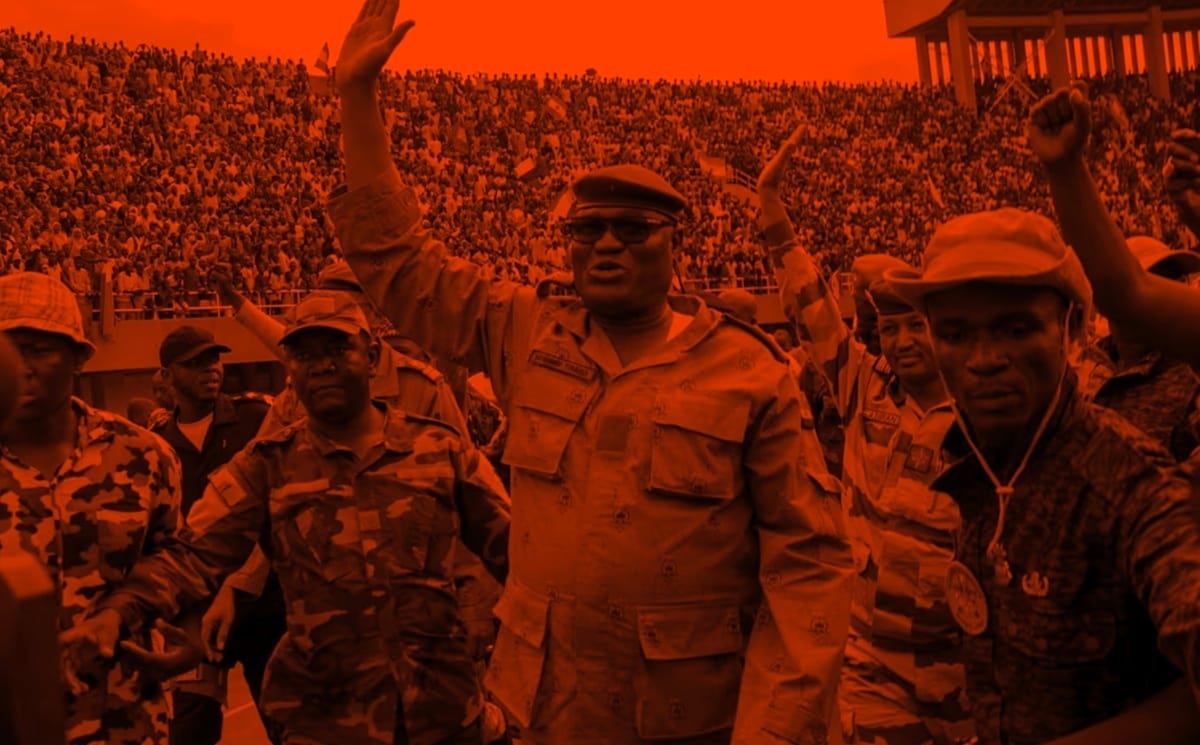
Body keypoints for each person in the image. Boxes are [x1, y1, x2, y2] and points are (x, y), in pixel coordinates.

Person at [326, 3, 853, 743]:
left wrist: (776, 730)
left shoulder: (749, 371)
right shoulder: (526, 330)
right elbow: (401, 264)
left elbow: (808, 568)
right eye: (586, 229)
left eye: (632, 230)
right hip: (548, 711)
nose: (606, 244)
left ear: (677, 244)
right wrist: (357, 99)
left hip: (692, 722)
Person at [61, 291, 513, 744]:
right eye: (303, 355)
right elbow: (192, 555)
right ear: (289, 368)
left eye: (338, 349)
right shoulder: (266, 465)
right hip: (326, 720)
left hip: (442, 714)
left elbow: (517, 551)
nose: (321, 366)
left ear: (373, 356)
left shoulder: (440, 450)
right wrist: (118, 613)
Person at [885, 208, 1200, 744]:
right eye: (956, 334)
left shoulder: (1126, 484)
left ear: (1071, 328)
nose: (985, 359)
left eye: (1016, 329)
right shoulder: (973, 460)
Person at [757, 128, 972, 745]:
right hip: (870, 658)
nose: (902, 342)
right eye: (891, 328)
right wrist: (771, 207)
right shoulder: (864, 387)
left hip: (959, 660)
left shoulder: (985, 412)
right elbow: (808, 304)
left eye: (916, 328)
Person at [211, 260, 505, 671]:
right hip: (330, 630)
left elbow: (471, 509)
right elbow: (256, 500)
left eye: (336, 339)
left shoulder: (421, 388)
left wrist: (474, 604)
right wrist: (236, 585)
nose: (323, 364)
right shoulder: (296, 399)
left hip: (423, 627)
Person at [0, 272, 183, 745]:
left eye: (37, 350)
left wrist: (122, 614)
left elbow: (174, 556)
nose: (20, 368)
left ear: (79, 358)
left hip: (123, 718)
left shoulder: (143, 456)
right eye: (7, 351)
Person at [148, 325, 281, 745]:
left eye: (214, 359)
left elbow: (278, 507)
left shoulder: (257, 418)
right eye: (195, 363)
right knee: (189, 729)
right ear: (167, 375)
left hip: (264, 604)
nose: (211, 369)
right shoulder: (156, 445)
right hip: (197, 611)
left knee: (288, 726)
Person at [1027, 82, 1200, 368]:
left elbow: (1127, 295)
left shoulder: (1184, 373)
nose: (1171, 290)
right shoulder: (1091, 377)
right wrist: (1065, 168)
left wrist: (1066, 168)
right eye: (1163, 279)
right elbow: (1126, 294)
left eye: (1175, 281)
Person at [1074, 236, 1200, 461]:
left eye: (1177, 280)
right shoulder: (1082, 364)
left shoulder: (1190, 372)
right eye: (1153, 281)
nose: (1171, 291)